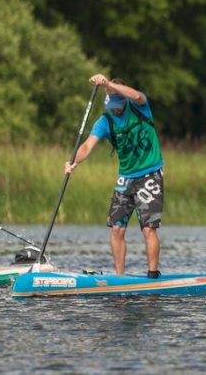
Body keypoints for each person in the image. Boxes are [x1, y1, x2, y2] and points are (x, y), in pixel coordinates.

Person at [65, 74, 164, 278]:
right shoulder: (105, 121)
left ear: (123, 100)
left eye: (118, 105)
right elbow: (87, 145)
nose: (116, 110)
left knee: (148, 229)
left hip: (150, 174)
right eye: (112, 107)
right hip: (125, 178)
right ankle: (120, 278)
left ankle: (153, 276)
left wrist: (109, 84)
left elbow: (136, 95)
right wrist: (74, 160)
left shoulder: (139, 106)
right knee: (117, 229)